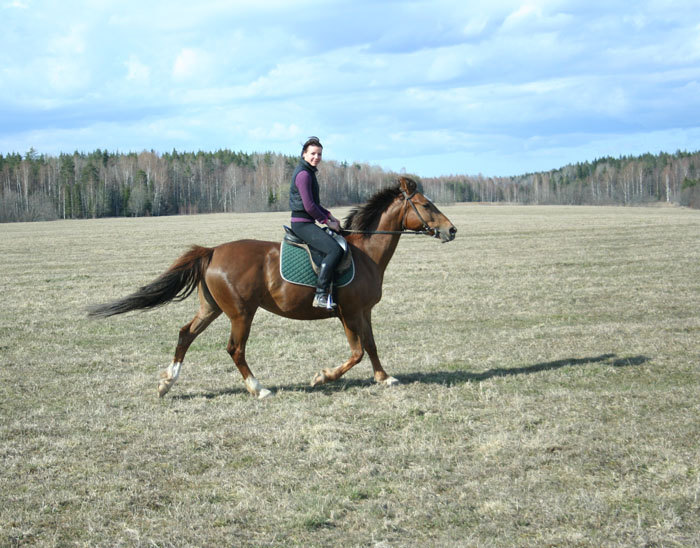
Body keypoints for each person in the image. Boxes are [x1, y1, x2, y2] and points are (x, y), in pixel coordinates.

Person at [289, 136, 343, 309]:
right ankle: (320, 295)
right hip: (302, 224)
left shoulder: (308, 172)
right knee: (334, 250)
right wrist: (327, 221)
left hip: (307, 222)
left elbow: (315, 204)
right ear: (304, 154)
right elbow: (309, 206)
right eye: (312, 153)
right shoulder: (304, 175)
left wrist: (330, 215)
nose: (316, 157)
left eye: (319, 154)